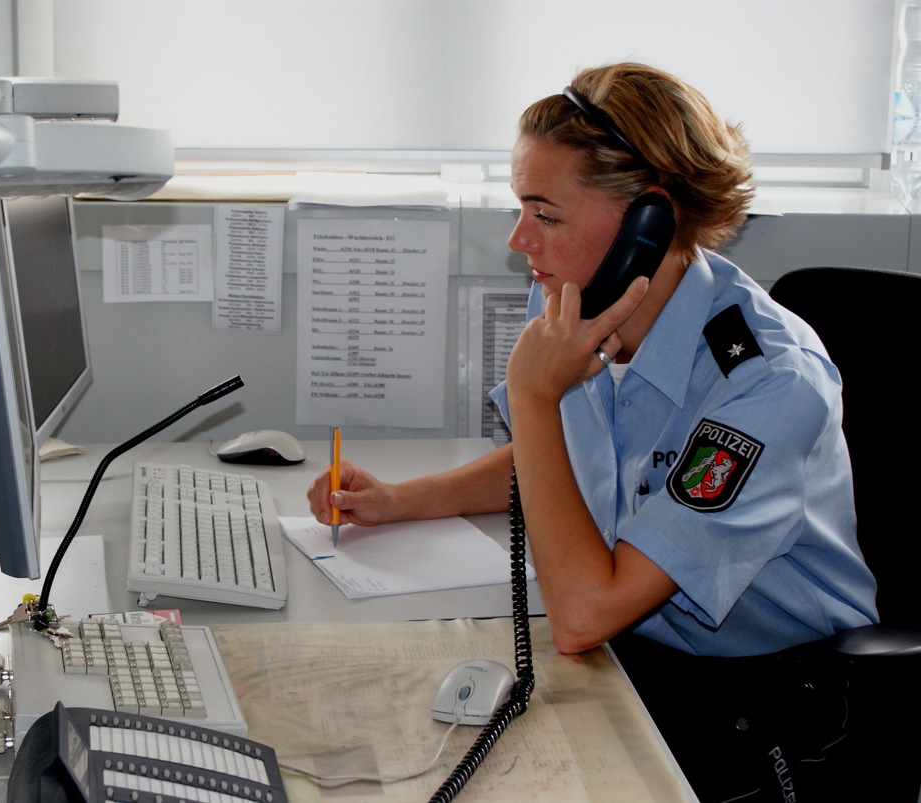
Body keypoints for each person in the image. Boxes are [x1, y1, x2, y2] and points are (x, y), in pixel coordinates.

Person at [307, 62, 879, 801]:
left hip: (768, 698)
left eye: (544, 214)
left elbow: (581, 614)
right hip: (632, 651)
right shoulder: (578, 302)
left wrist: (533, 395)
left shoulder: (766, 385)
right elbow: (571, 462)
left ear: (651, 222)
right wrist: (402, 499)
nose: (521, 241)